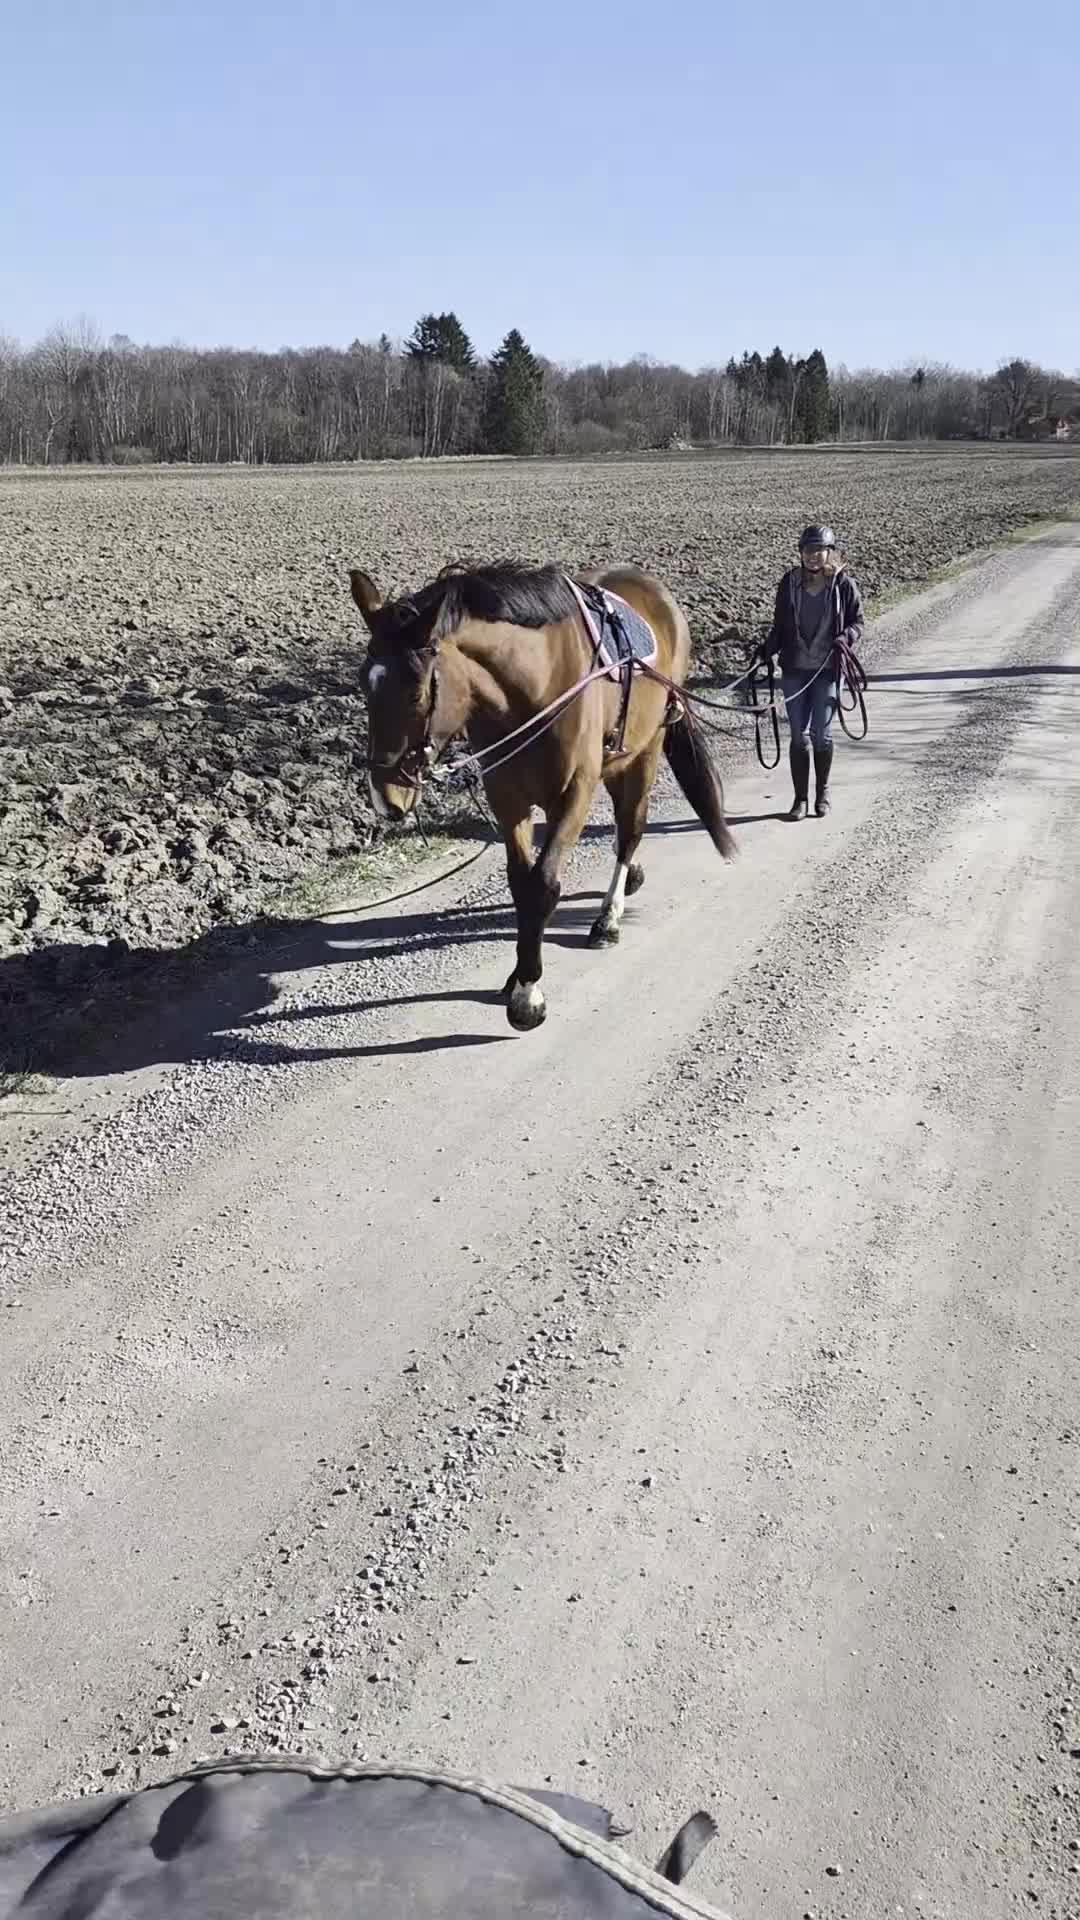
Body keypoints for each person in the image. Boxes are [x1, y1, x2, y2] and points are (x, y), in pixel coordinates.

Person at [760, 525, 865, 821]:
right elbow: (779, 625)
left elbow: (858, 621)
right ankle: (800, 800)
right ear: (801, 554)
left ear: (829, 552)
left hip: (827, 670)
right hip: (795, 669)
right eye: (808, 551)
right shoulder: (789, 583)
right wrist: (767, 648)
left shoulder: (843, 584)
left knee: (822, 734)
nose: (813, 556)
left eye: (819, 550)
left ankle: (822, 794)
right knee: (798, 736)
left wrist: (847, 637)